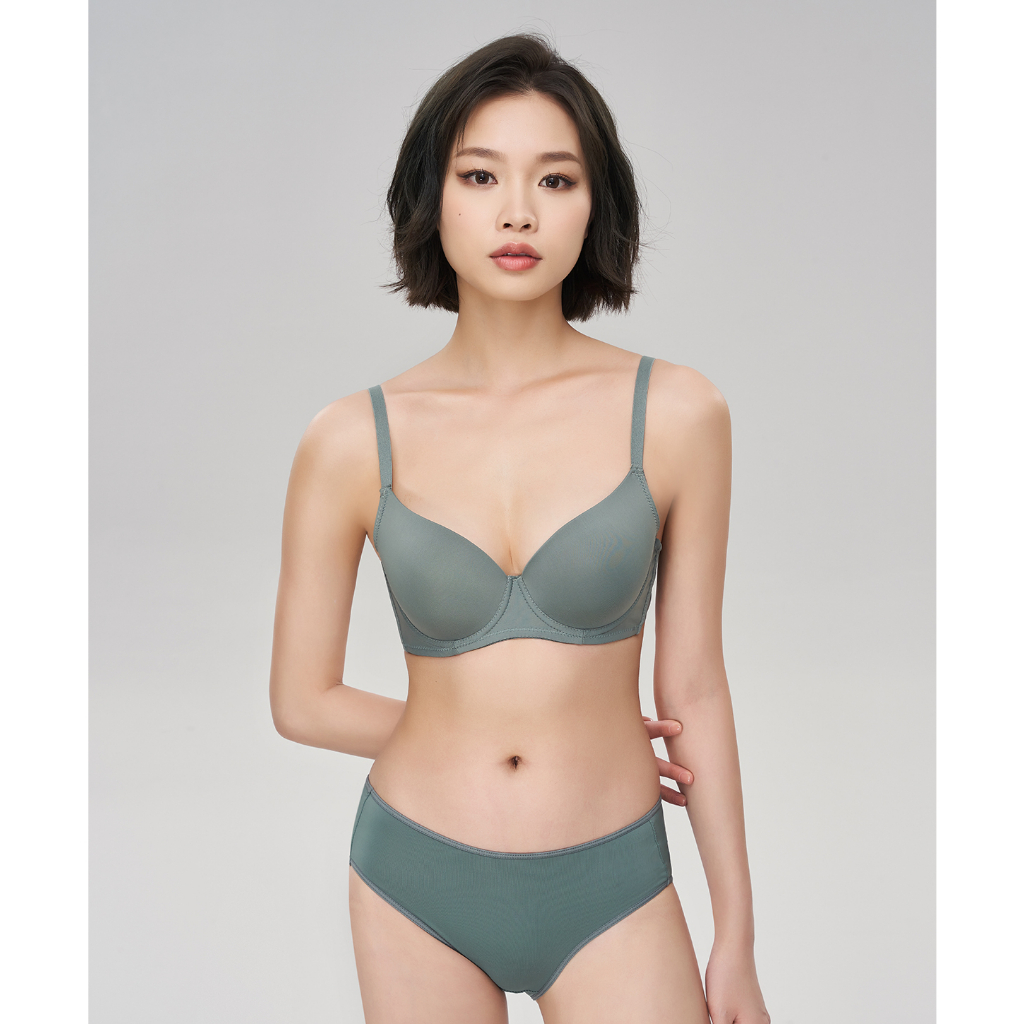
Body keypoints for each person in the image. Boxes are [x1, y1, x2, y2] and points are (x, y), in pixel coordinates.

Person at [270, 34, 770, 1024]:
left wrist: (737, 939)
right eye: (479, 175)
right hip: (414, 875)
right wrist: (486, 729)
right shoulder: (350, 439)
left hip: (613, 880)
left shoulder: (677, 414)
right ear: (432, 197)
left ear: (595, 204)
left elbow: (695, 692)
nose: (517, 212)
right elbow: (301, 700)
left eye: (555, 179)